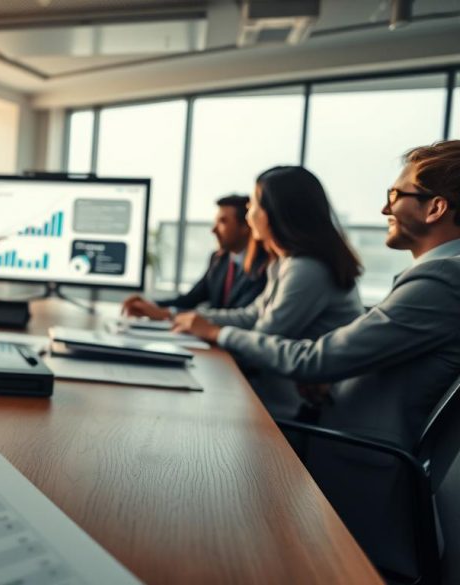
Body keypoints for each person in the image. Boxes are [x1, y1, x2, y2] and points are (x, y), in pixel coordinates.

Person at [178, 144, 460, 580]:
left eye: (396, 194)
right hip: (341, 437)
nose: (384, 206)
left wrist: (217, 332)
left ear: (434, 208)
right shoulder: (437, 278)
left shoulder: (441, 280)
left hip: (348, 455)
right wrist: (332, 382)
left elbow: (313, 360)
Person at [172, 167, 365, 417]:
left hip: (298, 410)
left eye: (253, 205)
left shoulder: (308, 268)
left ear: (274, 213)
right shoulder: (286, 262)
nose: (249, 215)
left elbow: (265, 336)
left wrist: (213, 331)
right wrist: (193, 320)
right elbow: (252, 316)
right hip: (275, 399)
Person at [123, 194, 268, 318]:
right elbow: (190, 299)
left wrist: (168, 313)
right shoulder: (219, 259)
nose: (213, 230)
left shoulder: (264, 266)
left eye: (223, 221)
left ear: (245, 226)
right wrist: (149, 305)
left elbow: (238, 316)